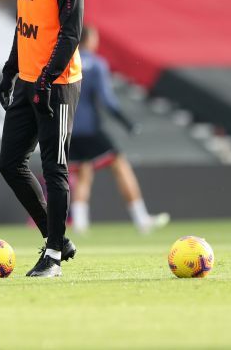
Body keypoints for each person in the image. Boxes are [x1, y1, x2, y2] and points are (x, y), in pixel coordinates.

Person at [0, 0, 83, 278]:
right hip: (29, 82)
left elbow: (70, 34)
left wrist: (47, 79)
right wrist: (9, 70)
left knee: (55, 169)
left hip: (57, 86)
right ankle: (58, 237)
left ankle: (53, 256)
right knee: (10, 163)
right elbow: (24, 26)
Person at [68, 26, 170, 234]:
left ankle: (80, 224)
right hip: (90, 130)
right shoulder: (96, 64)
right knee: (120, 165)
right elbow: (108, 101)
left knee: (84, 171)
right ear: (90, 40)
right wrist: (127, 123)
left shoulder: (66, 62)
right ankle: (141, 219)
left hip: (68, 130)